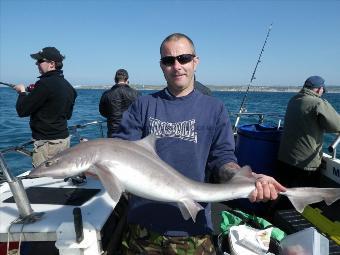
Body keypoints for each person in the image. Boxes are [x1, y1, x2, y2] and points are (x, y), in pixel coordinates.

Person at [113, 33, 285, 254]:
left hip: (193, 227)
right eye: (168, 60)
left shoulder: (214, 109)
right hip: (144, 227)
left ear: (195, 61)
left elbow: (223, 161)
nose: (177, 66)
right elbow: (119, 150)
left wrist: (248, 179)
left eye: (184, 58)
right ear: (161, 66)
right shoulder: (143, 106)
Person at [14, 47, 77, 168]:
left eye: (40, 60)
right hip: (64, 141)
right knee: (58, 177)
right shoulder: (69, 88)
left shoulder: (43, 84)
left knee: (43, 180)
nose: (36, 63)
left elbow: (22, 110)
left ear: (52, 64)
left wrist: (22, 92)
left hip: (47, 145)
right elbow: (67, 115)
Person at [277, 75, 340, 188]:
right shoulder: (318, 103)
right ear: (319, 89)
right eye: (322, 90)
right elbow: (336, 125)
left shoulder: (293, 100)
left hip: (285, 158)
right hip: (305, 163)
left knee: (285, 192)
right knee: (306, 197)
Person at [99, 69, 140, 137]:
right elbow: (139, 112)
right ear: (127, 80)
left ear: (115, 80)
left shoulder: (106, 94)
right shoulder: (136, 94)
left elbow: (102, 112)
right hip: (131, 131)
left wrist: (112, 115)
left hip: (113, 131)